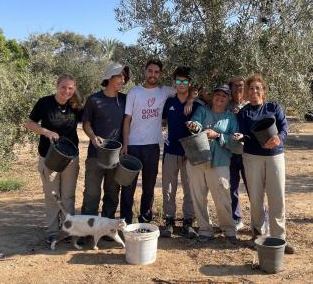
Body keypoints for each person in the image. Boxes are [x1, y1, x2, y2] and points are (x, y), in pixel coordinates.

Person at [120, 59, 190, 224]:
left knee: (149, 188)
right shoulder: (134, 92)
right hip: (132, 146)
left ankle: (144, 220)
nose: (153, 75)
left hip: (152, 147)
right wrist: (125, 144)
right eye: (150, 71)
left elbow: (187, 87)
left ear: (161, 74)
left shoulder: (164, 91)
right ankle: (125, 221)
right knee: (128, 187)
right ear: (145, 72)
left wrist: (193, 98)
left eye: (156, 72)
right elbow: (127, 120)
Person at [232, 73, 295, 254]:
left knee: (277, 197)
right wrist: (242, 137)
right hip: (252, 157)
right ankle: (257, 235)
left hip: (275, 156)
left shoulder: (273, 107)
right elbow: (244, 135)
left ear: (263, 91)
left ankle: (279, 238)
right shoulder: (243, 113)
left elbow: (284, 127)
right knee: (256, 198)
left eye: (257, 88)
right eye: (250, 89)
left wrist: (278, 139)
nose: (254, 91)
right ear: (246, 93)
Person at [24, 73, 83, 244]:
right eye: (63, 87)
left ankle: (68, 229)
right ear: (57, 85)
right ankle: (52, 230)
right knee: (51, 194)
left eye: (71, 88)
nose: (66, 91)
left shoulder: (75, 106)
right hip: (48, 156)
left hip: (70, 158)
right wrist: (46, 131)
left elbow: (88, 121)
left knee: (68, 195)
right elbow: (29, 123)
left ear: (74, 89)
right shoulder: (45, 103)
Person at [185, 84, 238, 244]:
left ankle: (229, 230)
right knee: (198, 196)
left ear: (228, 99)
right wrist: (194, 126)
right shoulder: (202, 111)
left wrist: (217, 135)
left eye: (224, 95)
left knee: (222, 197)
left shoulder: (231, 118)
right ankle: (205, 230)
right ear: (213, 96)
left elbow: (235, 141)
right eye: (217, 95)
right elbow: (195, 124)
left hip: (220, 161)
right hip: (197, 159)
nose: (220, 98)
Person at [81, 62, 129, 219]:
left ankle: (108, 228)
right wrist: (93, 137)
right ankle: (87, 230)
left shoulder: (125, 100)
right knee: (91, 194)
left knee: (112, 193)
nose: (123, 80)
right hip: (96, 155)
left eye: (125, 77)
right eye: (120, 77)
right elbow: (86, 123)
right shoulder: (93, 99)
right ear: (109, 77)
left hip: (116, 156)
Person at [160, 66, 200, 238]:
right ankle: (169, 220)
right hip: (170, 151)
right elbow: (163, 122)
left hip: (189, 154)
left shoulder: (197, 105)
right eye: (178, 81)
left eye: (185, 81)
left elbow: (199, 129)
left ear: (189, 83)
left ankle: (188, 221)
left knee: (189, 189)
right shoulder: (169, 102)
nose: (181, 84)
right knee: (168, 188)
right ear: (174, 83)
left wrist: (192, 99)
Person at [227, 76, 250, 231]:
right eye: (234, 86)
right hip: (230, 153)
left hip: (248, 154)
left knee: (253, 188)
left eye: (241, 85)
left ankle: (261, 220)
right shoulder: (226, 105)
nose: (238, 89)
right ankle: (236, 218)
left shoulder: (250, 105)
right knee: (232, 188)